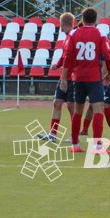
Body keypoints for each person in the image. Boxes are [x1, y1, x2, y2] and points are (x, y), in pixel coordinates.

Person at [60, 7, 110, 153]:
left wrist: (64, 78)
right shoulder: (100, 33)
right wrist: (109, 71)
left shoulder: (74, 33)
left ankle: (75, 145)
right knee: (98, 109)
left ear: (82, 20)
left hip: (77, 78)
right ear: (95, 20)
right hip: (94, 77)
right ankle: (97, 146)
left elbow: (68, 58)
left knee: (78, 110)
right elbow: (106, 54)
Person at [45, 12, 78, 141]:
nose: (61, 28)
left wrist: (64, 77)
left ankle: (74, 136)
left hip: (73, 77)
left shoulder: (73, 37)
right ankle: (52, 134)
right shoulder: (67, 37)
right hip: (64, 76)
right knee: (57, 103)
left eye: (61, 25)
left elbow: (70, 58)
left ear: (65, 24)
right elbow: (64, 57)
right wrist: (57, 65)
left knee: (71, 106)